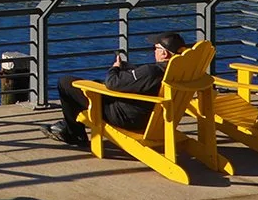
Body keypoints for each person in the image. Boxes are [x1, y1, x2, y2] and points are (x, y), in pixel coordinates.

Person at [47, 31, 188, 147]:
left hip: (127, 117)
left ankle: (74, 134)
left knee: (67, 83)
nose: (153, 51)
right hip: (156, 117)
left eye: (155, 48)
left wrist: (115, 68)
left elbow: (112, 83)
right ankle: (69, 126)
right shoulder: (181, 72)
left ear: (164, 54)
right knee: (95, 83)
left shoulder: (152, 72)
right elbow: (143, 79)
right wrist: (132, 70)